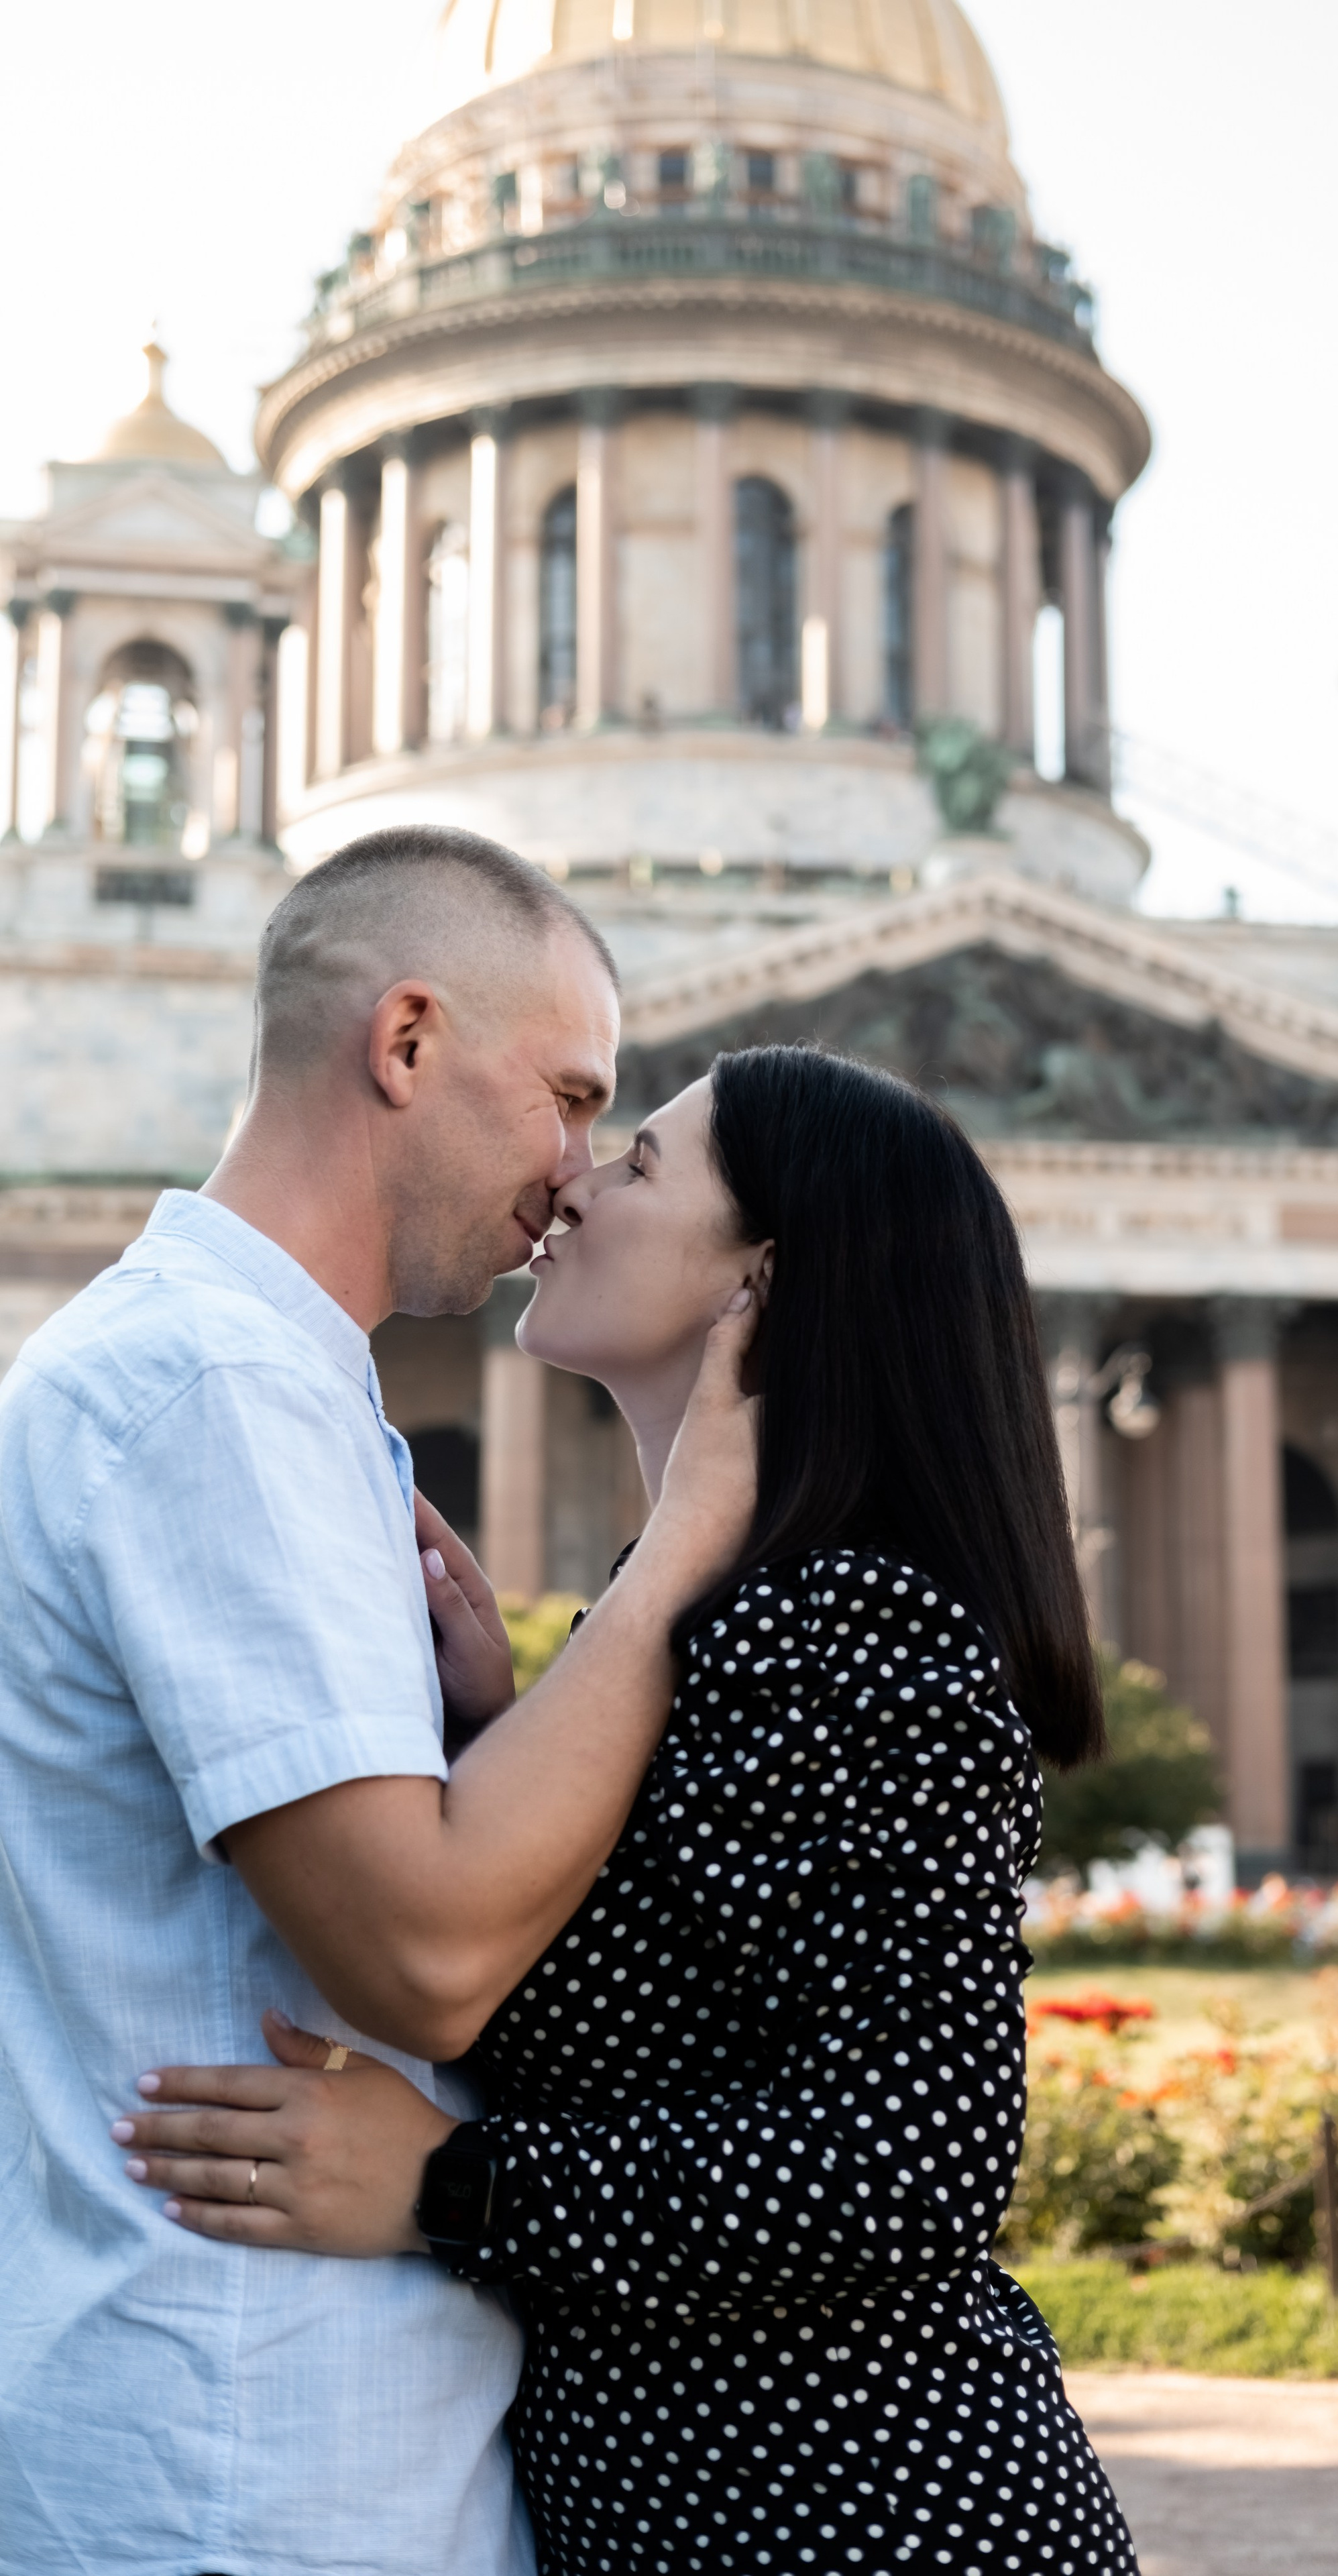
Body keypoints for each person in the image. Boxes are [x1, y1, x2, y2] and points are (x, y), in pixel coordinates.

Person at [115, 1046, 1139, 2576]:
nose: (574, 1187)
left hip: (854, 2513)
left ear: (756, 1289)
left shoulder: (850, 1622)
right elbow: (674, 1998)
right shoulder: (725, 1619)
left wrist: (450, 2188)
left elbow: (912, 2161)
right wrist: (497, 1734)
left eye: (643, 1164)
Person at [0, 825, 759, 2576]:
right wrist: (685, 1541)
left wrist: (491, 1727)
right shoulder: (214, 1387)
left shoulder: (259, 1378)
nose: (574, 1176)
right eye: (568, 1099)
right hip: (248, 2464)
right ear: (406, 1042)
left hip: (286, 2439)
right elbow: (418, 1956)